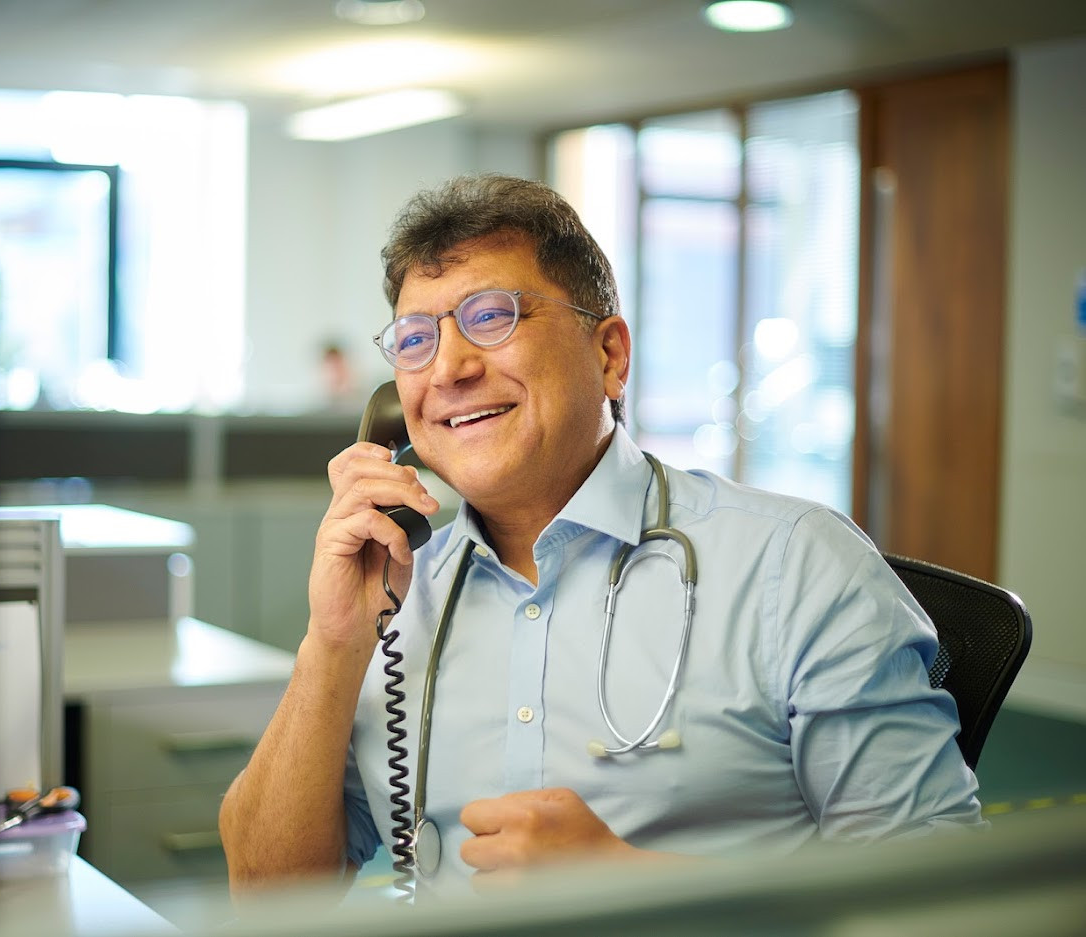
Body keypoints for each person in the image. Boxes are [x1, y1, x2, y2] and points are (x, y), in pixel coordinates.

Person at [218, 173, 984, 898]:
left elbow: (933, 899)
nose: (447, 366)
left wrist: (629, 885)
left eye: (492, 316)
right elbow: (264, 894)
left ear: (610, 354)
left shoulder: (795, 565)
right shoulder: (394, 595)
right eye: (415, 339)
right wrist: (333, 640)